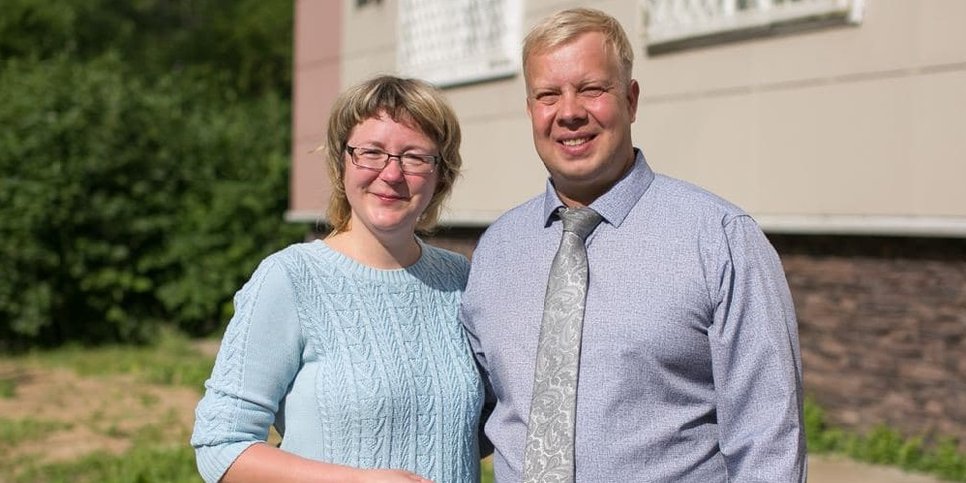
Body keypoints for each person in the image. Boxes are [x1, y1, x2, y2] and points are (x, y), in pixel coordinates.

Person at [461, 7, 806, 482]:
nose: (569, 113)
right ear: (530, 110)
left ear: (631, 99)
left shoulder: (720, 239)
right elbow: (469, 414)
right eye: (548, 95)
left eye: (591, 89)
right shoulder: (498, 250)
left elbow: (769, 441)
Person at [191, 75, 483, 483]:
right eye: (371, 153)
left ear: (441, 176)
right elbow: (220, 447)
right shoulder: (290, 279)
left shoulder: (460, 280)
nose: (391, 173)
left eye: (415, 157)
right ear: (341, 163)